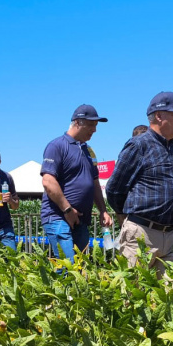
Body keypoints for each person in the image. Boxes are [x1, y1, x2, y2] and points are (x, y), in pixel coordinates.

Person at [106, 91, 173, 277]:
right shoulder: (138, 145)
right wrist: (126, 216)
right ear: (159, 116)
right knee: (133, 296)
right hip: (141, 234)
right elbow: (114, 188)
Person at [40, 104, 113, 262]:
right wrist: (67, 210)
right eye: (92, 124)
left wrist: (103, 211)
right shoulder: (57, 146)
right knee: (69, 267)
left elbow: (94, 183)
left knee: (78, 267)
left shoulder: (89, 151)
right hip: (58, 217)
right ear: (78, 122)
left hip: (80, 220)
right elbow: (48, 181)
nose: (95, 129)